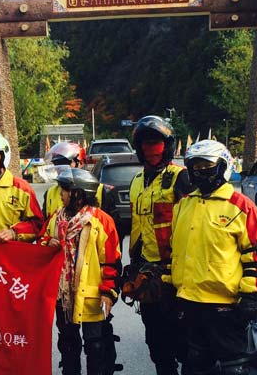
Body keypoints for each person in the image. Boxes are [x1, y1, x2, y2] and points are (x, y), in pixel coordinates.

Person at [168, 140, 257, 375]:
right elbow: (177, 252)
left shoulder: (241, 206)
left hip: (224, 305)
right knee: (194, 363)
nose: (201, 172)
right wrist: (167, 284)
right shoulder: (183, 205)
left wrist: (250, 296)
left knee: (233, 366)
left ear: (222, 166)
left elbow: (254, 254)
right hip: (189, 301)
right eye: (195, 167)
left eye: (207, 166)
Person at [40, 168, 121, 375]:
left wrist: (107, 293)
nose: (61, 194)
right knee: (68, 344)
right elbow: (41, 238)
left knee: (95, 345)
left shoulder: (101, 221)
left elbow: (112, 261)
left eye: (65, 190)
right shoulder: (56, 218)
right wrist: (48, 242)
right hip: (63, 295)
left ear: (78, 193)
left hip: (92, 296)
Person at [127, 115, 192, 375]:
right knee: (155, 340)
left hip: (176, 273)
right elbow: (134, 226)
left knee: (185, 342)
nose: (151, 149)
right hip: (146, 273)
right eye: (145, 144)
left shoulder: (181, 178)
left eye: (156, 143)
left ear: (168, 146)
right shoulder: (136, 181)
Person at [42, 141, 122, 249]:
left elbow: (113, 232)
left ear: (80, 163)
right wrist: (48, 241)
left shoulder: (100, 190)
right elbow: (43, 229)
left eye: (64, 163)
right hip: (59, 254)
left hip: (91, 254)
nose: (59, 168)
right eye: (56, 164)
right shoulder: (50, 193)